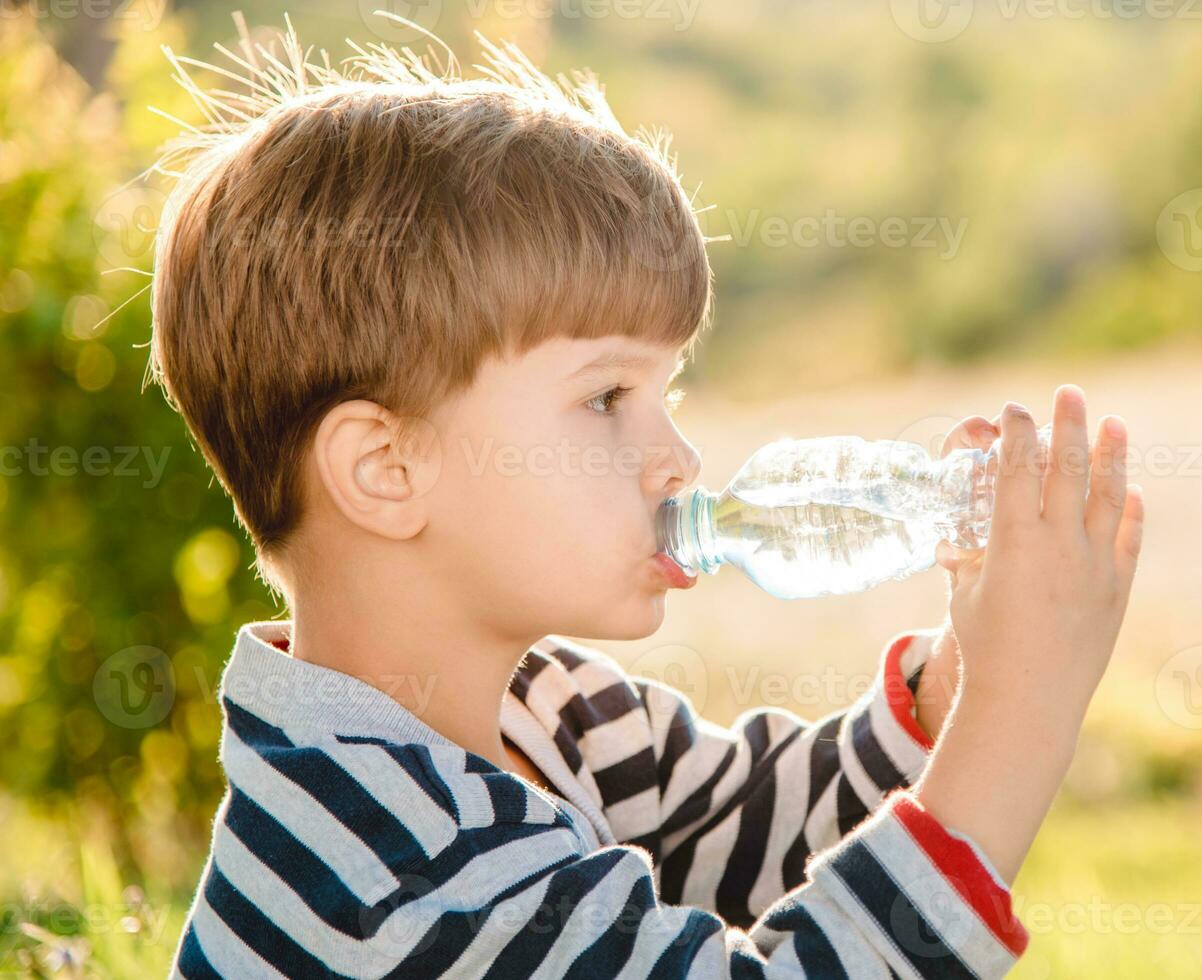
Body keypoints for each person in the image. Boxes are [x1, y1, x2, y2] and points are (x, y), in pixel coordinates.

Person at [149, 19, 1144, 977]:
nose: (677, 457)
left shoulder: (549, 703)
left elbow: (760, 832)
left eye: (666, 393)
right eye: (605, 396)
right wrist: (1022, 706)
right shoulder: (380, 871)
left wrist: (959, 667)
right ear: (384, 468)